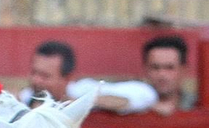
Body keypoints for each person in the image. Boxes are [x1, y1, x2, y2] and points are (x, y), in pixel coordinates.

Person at [22, 38, 158, 112]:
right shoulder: (27, 96)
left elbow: (145, 93)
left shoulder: (83, 90)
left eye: (45, 76)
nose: (36, 80)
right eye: (34, 73)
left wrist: (82, 103)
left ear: (68, 78)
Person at [140, 33, 193, 114]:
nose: (162, 74)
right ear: (146, 69)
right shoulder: (133, 104)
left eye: (169, 68)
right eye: (155, 67)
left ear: (183, 70)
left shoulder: (197, 104)